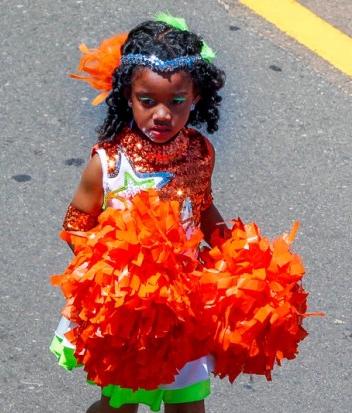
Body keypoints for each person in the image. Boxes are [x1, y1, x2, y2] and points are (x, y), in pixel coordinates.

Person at [51, 13, 227, 413]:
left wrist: (233, 251)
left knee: (188, 406)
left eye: (176, 101)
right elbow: (76, 223)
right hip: (129, 318)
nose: (162, 114)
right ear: (127, 96)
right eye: (147, 101)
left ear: (196, 98)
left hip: (184, 309)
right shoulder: (108, 163)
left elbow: (202, 206)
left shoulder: (200, 153)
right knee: (119, 407)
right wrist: (110, 278)